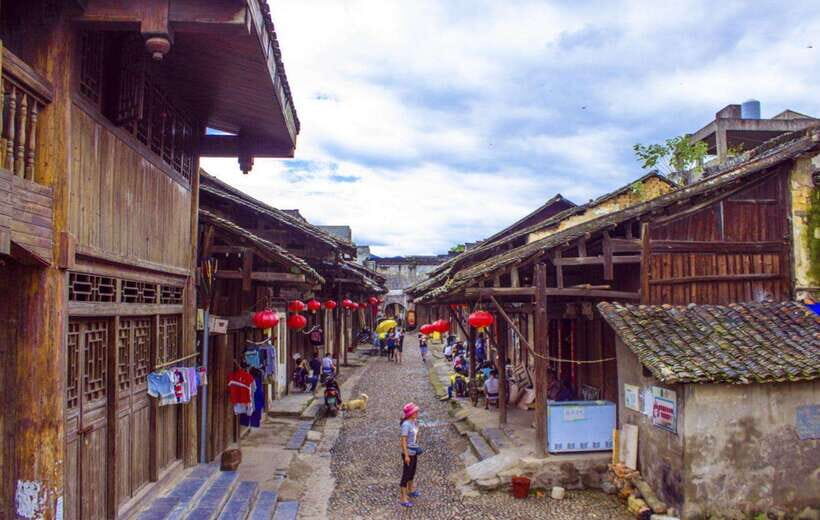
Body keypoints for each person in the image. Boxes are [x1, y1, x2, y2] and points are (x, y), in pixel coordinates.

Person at [399, 402, 421, 507]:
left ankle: (410, 489)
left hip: (414, 451)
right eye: (415, 411)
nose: (417, 413)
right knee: (406, 475)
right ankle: (403, 498)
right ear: (411, 413)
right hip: (408, 453)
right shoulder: (406, 425)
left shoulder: (414, 422)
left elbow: (415, 436)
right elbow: (403, 441)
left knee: (412, 472)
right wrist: (406, 455)